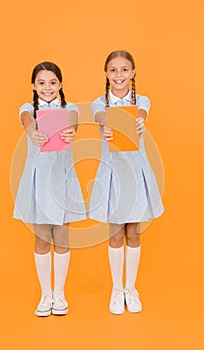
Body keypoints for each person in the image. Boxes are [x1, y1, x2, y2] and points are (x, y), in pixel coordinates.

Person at [88, 50, 164, 314]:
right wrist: (106, 125)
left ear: (133, 73)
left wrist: (140, 121)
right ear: (106, 74)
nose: (118, 75)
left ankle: (131, 288)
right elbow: (100, 116)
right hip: (112, 174)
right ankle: (116, 289)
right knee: (115, 232)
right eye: (113, 70)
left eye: (124, 70)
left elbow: (142, 112)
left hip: (135, 172)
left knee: (134, 231)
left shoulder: (142, 100)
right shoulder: (100, 103)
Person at [13, 62, 86, 316]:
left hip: (62, 179)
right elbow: (24, 119)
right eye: (41, 83)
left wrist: (71, 132)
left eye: (53, 82)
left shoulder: (70, 108)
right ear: (33, 85)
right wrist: (32, 130)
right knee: (42, 239)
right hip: (39, 179)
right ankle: (45, 295)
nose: (47, 88)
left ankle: (59, 293)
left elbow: (74, 122)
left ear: (61, 85)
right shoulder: (28, 109)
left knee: (62, 238)